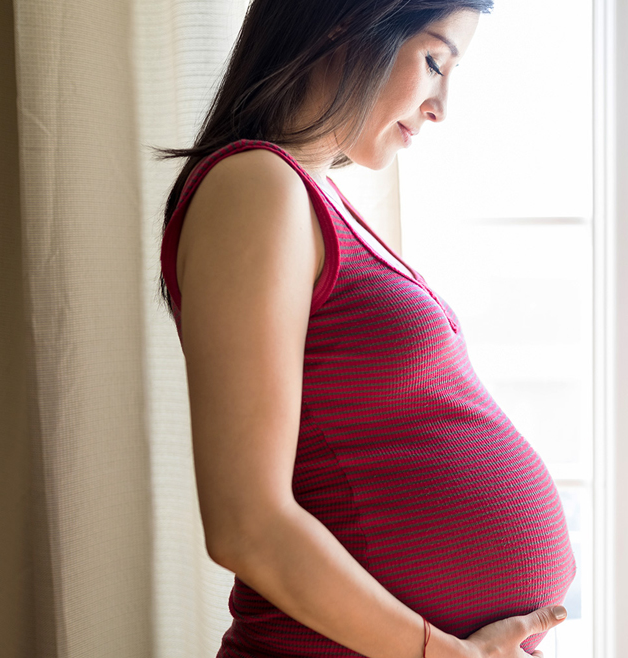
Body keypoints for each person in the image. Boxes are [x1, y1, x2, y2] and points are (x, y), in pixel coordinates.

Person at [155, 1, 577, 657]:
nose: (441, 106)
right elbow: (246, 522)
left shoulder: (315, 193)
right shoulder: (256, 185)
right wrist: (442, 653)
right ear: (343, 22)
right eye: (434, 61)